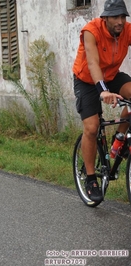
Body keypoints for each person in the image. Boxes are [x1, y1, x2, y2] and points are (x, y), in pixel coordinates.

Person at [73, 0, 131, 201]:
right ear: (105, 17)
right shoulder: (91, 31)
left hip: (112, 76)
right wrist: (103, 91)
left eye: (123, 17)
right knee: (92, 127)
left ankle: (120, 139)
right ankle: (90, 179)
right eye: (115, 17)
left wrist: (108, 85)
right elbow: (92, 62)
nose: (120, 22)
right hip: (87, 80)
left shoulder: (127, 30)